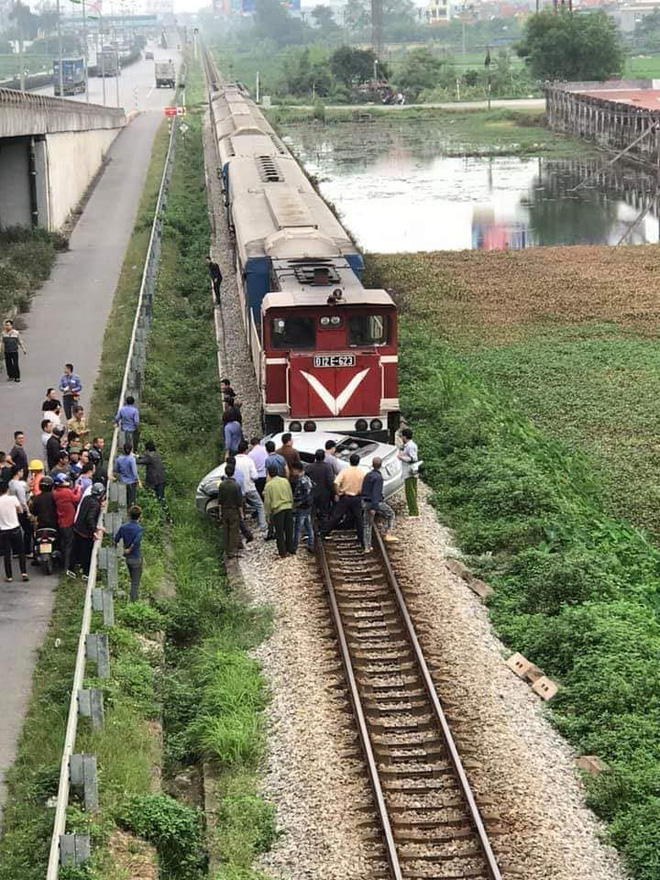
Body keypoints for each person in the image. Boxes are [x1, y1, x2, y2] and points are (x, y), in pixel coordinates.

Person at [321, 453, 365, 546]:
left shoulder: (345, 471)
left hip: (345, 497)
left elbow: (336, 483)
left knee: (336, 516)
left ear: (349, 461)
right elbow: (365, 486)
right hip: (356, 498)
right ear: (358, 462)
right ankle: (362, 539)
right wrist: (359, 492)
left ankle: (323, 532)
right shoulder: (361, 473)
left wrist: (338, 493)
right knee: (359, 518)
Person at [362, 457, 398, 551]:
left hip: (365, 502)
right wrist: (374, 507)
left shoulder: (367, 475)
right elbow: (376, 493)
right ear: (381, 466)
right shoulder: (378, 478)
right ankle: (388, 533)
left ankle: (367, 547)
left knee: (367, 524)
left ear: (372, 464)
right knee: (391, 514)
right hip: (375, 503)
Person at [71, 482, 104, 578]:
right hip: (85, 533)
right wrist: (94, 530)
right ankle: (86, 573)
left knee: (76, 550)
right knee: (86, 553)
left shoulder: (86, 498)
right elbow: (90, 518)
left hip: (77, 528)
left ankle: (71, 569)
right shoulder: (95, 504)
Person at [235, 440, 266, 532]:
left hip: (237, 489)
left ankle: (242, 528)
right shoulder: (249, 460)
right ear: (246, 450)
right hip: (249, 487)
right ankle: (263, 525)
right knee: (260, 505)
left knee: (240, 507)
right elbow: (255, 476)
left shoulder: (234, 460)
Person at [264, 463, 294, 558]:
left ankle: (282, 552)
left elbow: (267, 502)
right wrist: (291, 504)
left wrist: (267, 514)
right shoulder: (285, 481)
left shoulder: (268, 485)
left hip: (278, 510)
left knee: (279, 532)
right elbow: (290, 494)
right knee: (289, 530)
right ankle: (290, 549)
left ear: (269, 473)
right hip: (288, 507)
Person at [0, 481, 28, 582]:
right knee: (21, 552)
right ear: (7, 489)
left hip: (3, 531)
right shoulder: (13, 499)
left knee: (7, 554)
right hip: (15, 528)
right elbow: (20, 510)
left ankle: (9, 576)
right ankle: (24, 573)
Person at [53, 473, 81, 575]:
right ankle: (67, 567)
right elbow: (76, 498)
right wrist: (79, 489)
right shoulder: (66, 492)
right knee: (69, 545)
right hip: (68, 521)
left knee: (64, 543)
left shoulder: (56, 492)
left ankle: (63, 564)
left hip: (61, 521)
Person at [114, 505, 143, 601]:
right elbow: (136, 541)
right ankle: (134, 602)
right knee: (135, 583)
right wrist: (130, 549)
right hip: (136, 557)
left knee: (132, 579)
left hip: (128, 558)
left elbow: (116, 539)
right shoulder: (139, 529)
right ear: (139, 516)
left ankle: (133, 599)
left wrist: (117, 547)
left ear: (129, 515)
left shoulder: (123, 527)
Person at [217, 461, 243, 559]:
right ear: (233, 472)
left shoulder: (222, 485)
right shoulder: (236, 485)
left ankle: (226, 549)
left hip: (224, 510)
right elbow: (239, 502)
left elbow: (220, 500)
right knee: (233, 531)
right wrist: (241, 514)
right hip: (234, 510)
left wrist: (220, 512)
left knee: (226, 530)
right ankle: (232, 552)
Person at [290, 462, 314, 554]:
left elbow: (299, 496)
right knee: (308, 526)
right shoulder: (307, 478)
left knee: (298, 527)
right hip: (308, 506)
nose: (292, 472)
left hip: (302, 506)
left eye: (293, 470)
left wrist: (294, 504)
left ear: (297, 470)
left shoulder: (301, 481)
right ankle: (311, 544)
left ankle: (294, 547)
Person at [8, 465, 32, 557]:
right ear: (18, 472)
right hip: (21, 510)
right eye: (21, 471)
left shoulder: (11, 483)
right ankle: (27, 550)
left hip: (12, 509)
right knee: (28, 530)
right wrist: (28, 512)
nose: (22, 473)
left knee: (15, 530)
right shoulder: (19, 486)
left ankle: (15, 551)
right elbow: (23, 501)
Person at [306, 449, 335, 521]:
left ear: (315, 457)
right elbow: (330, 481)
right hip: (324, 494)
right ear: (324, 457)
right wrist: (333, 492)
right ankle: (323, 527)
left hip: (312, 493)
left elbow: (305, 478)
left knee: (311, 514)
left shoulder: (309, 467)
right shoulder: (327, 467)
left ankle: (310, 527)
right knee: (324, 514)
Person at [398, 427, 419, 517]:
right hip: (409, 471)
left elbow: (413, 459)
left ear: (405, 437)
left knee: (410, 493)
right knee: (411, 492)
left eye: (402, 436)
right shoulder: (407, 445)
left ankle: (413, 512)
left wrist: (401, 457)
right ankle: (413, 510)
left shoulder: (411, 446)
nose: (401, 438)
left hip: (410, 472)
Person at [114, 443, 140, 507]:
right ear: (131, 450)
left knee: (123, 500)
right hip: (131, 482)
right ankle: (131, 510)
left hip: (122, 481)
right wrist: (137, 480)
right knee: (131, 500)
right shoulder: (131, 459)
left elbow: (116, 469)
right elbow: (134, 471)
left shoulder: (119, 459)